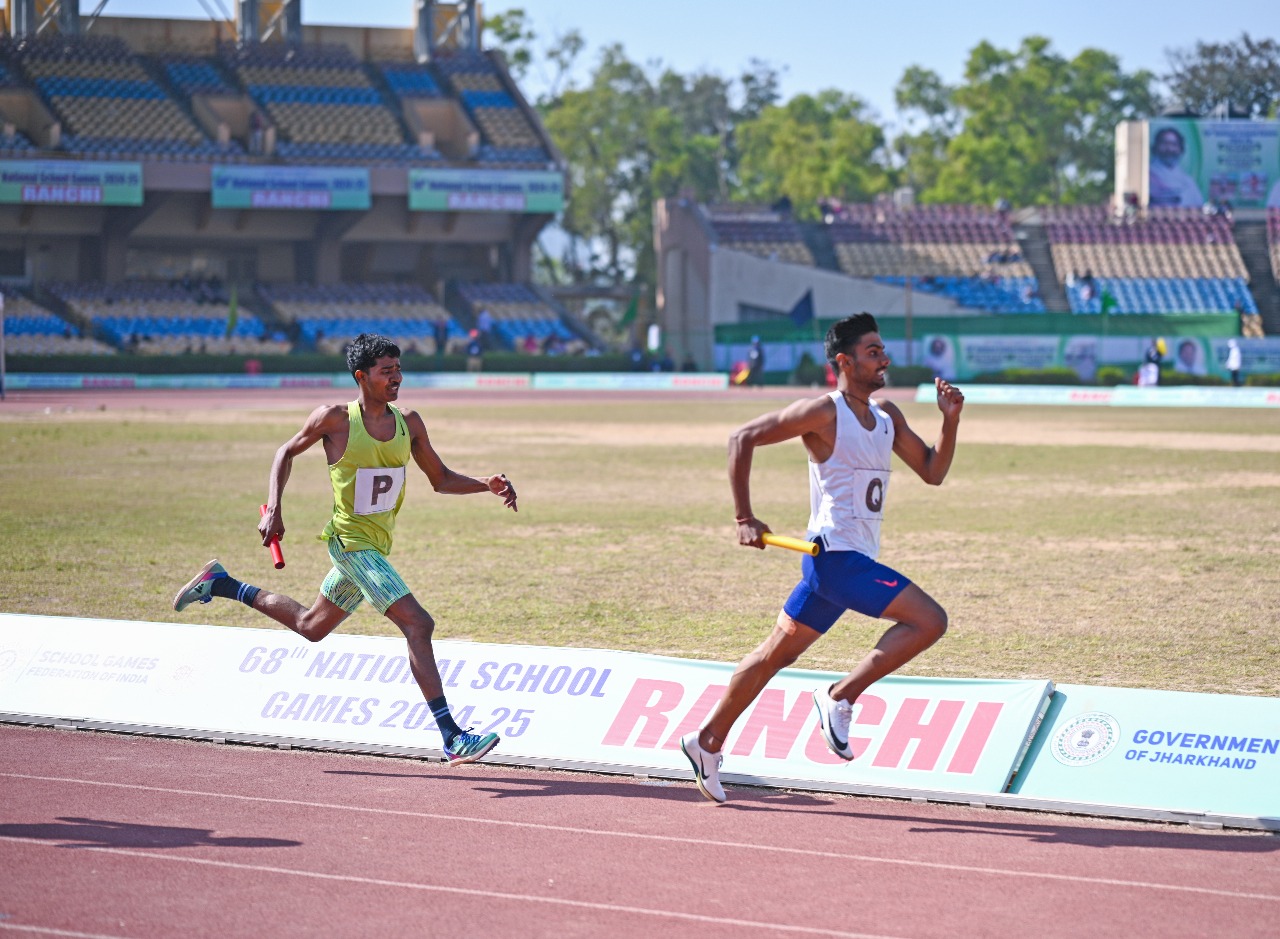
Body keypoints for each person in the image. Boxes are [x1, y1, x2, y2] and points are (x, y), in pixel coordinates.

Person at [171, 333, 518, 765]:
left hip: (375, 546)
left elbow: (441, 479)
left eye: (398, 369)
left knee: (312, 625)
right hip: (350, 544)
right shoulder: (335, 419)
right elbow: (285, 451)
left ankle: (221, 584)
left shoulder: (409, 422)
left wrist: (486, 484)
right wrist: (274, 508)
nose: (396, 378)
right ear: (361, 376)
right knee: (419, 624)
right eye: (385, 371)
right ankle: (451, 735)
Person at [680, 313, 965, 804]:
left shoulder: (887, 417)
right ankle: (840, 695)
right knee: (929, 621)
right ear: (844, 361)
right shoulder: (823, 412)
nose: (884, 359)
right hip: (835, 559)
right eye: (873, 351)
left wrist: (950, 420)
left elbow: (933, 471)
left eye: (882, 350)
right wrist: (743, 516)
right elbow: (741, 439)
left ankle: (705, 741)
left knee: (775, 655)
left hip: (839, 565)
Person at [1148, 127, 1203, 209]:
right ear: (1156, 146)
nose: (1169, 149)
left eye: (1174, 144)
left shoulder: (1187, 180)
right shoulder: (1149, 174)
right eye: (1165, 143)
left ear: (1180, 149)